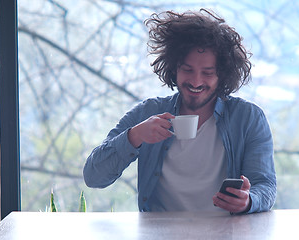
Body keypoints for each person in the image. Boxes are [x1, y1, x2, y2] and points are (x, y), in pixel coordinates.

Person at [83, 9, 276, 214]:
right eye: (187, 69)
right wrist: (135, 136)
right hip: (159, 234)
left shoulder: (248, 118)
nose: (196, 81)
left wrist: (248, 201)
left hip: (225, 233)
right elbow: (94, 177)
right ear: (174, 68)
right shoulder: (149, 112)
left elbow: (265, 186)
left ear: (223, 75)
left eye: (207, 73)